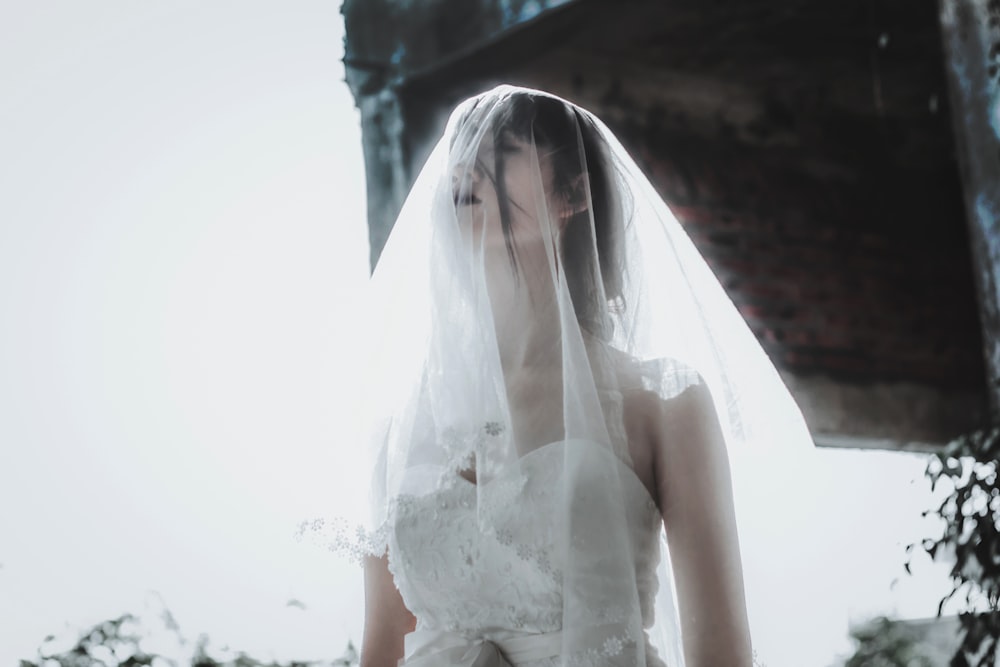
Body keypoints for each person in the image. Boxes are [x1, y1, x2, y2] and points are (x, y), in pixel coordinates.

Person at [321, 85, 835, 667]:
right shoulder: (398, 429)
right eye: (460, 150)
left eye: (505, 148)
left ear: (571, 195)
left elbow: (720, 652)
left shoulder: (662, 403)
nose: (467, 165)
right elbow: (382, 649)